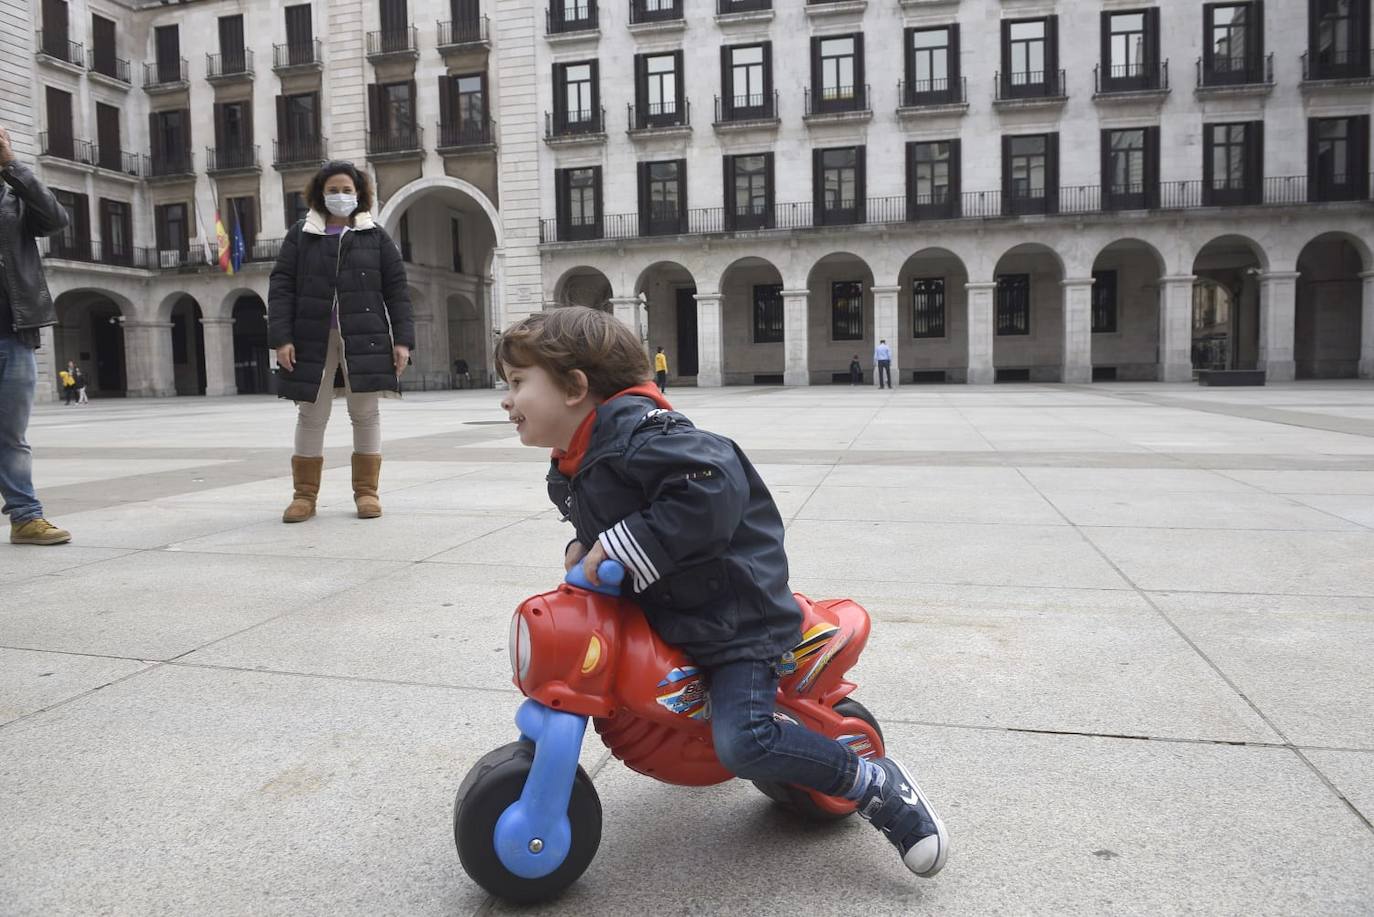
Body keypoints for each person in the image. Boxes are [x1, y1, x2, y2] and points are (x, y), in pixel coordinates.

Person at [495, 307, 949, 878]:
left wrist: (622, 543)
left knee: (745, 742)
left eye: (516, 383)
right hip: (678, 605)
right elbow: (622, 515)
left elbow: (711, 488)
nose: (506, 401)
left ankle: (875, 786)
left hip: (734, 619)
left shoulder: (643, 434)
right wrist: (587, 546)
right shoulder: (582, 458)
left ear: (575, 388)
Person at [268, 160, 414, 523]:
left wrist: (403, 342)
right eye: (333, 190)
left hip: (365, 337)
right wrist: (281, 338)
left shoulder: (374, 236)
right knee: (311, 413)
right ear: (320, 193)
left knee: (365, 414)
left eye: (347, 190)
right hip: (311, 337)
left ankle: (367, 493)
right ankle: (304, 497)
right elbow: (281, 287)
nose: (340, 196)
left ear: (359, 194)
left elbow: (397, 292)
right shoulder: (301, 234)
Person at [0, 123, 73, 545]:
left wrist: (13, 166)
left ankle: (26, 517)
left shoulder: (13, 193)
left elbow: (55, 220)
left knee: (11, 436)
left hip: (12, 333)